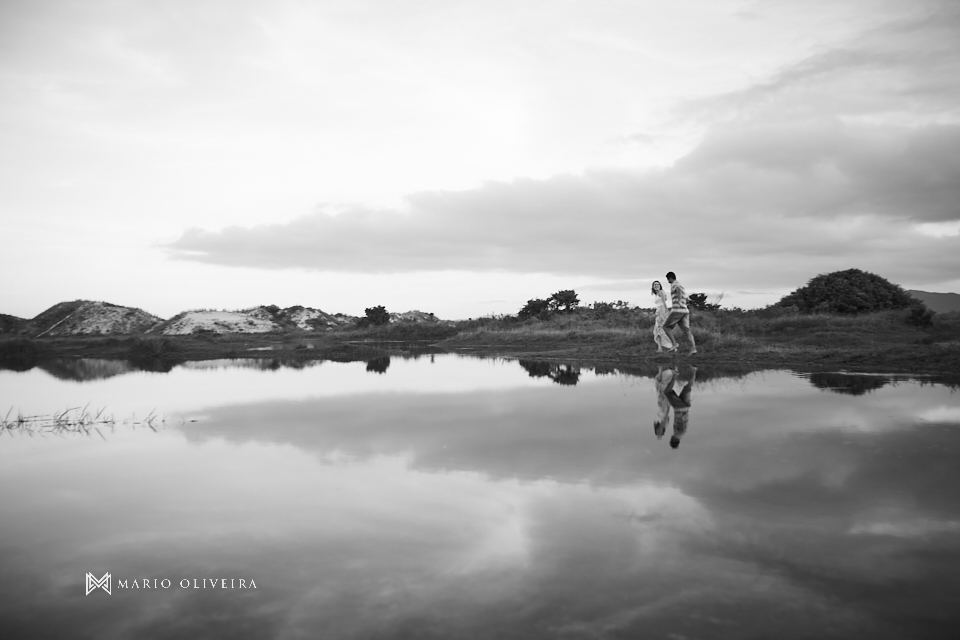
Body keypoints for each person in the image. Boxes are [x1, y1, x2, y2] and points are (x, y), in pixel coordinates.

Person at [662, 271, 698, 356]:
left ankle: (674, 344)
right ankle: (693, 349)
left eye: (668, 279)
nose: (668, 281)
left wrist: (679, 302)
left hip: (677, 310)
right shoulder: (681, 285)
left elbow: (677, 289)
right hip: (685, 311)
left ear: (670, 278)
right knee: (687, 331)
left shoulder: (675, 284)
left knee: (666, 327)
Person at [665, 365, 696, 449]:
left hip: (686, 408)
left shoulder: (683, 433)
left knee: (687, 388)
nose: (671, 437)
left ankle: (694, 370)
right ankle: (675, 375)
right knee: (667, 392)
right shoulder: (678, 433)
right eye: (671, 440)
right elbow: (681, 422)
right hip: (680, 409)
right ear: (673, 440)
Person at [651, 281, 676, 353]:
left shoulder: (661, 292)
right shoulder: (656, 294)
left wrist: (666, 311)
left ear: (660, 285)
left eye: (657, 284)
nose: (656, 286)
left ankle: (672, 346)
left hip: (662, 311)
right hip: (658, 311)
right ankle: (660, 349)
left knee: (662, 329)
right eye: (654, 285)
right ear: (653, 286)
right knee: (657, 331)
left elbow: (664, 303)